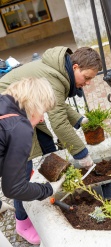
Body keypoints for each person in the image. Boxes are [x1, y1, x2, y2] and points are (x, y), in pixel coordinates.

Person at [0, 46, 102, 244]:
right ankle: (23, 223)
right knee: (24, 167)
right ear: (75, 67)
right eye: (87, 78)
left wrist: (80, 120)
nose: (41, 120)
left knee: (44, 151)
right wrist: (81, 154)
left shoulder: (57, 71)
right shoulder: (18, 128)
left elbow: (57, 105)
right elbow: (58, 121)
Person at [0, 77, 66, 245]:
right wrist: (48, 189)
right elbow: (14, 188)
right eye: (43, 111)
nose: (42, 118)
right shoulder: (19, 128)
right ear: (34, 104)